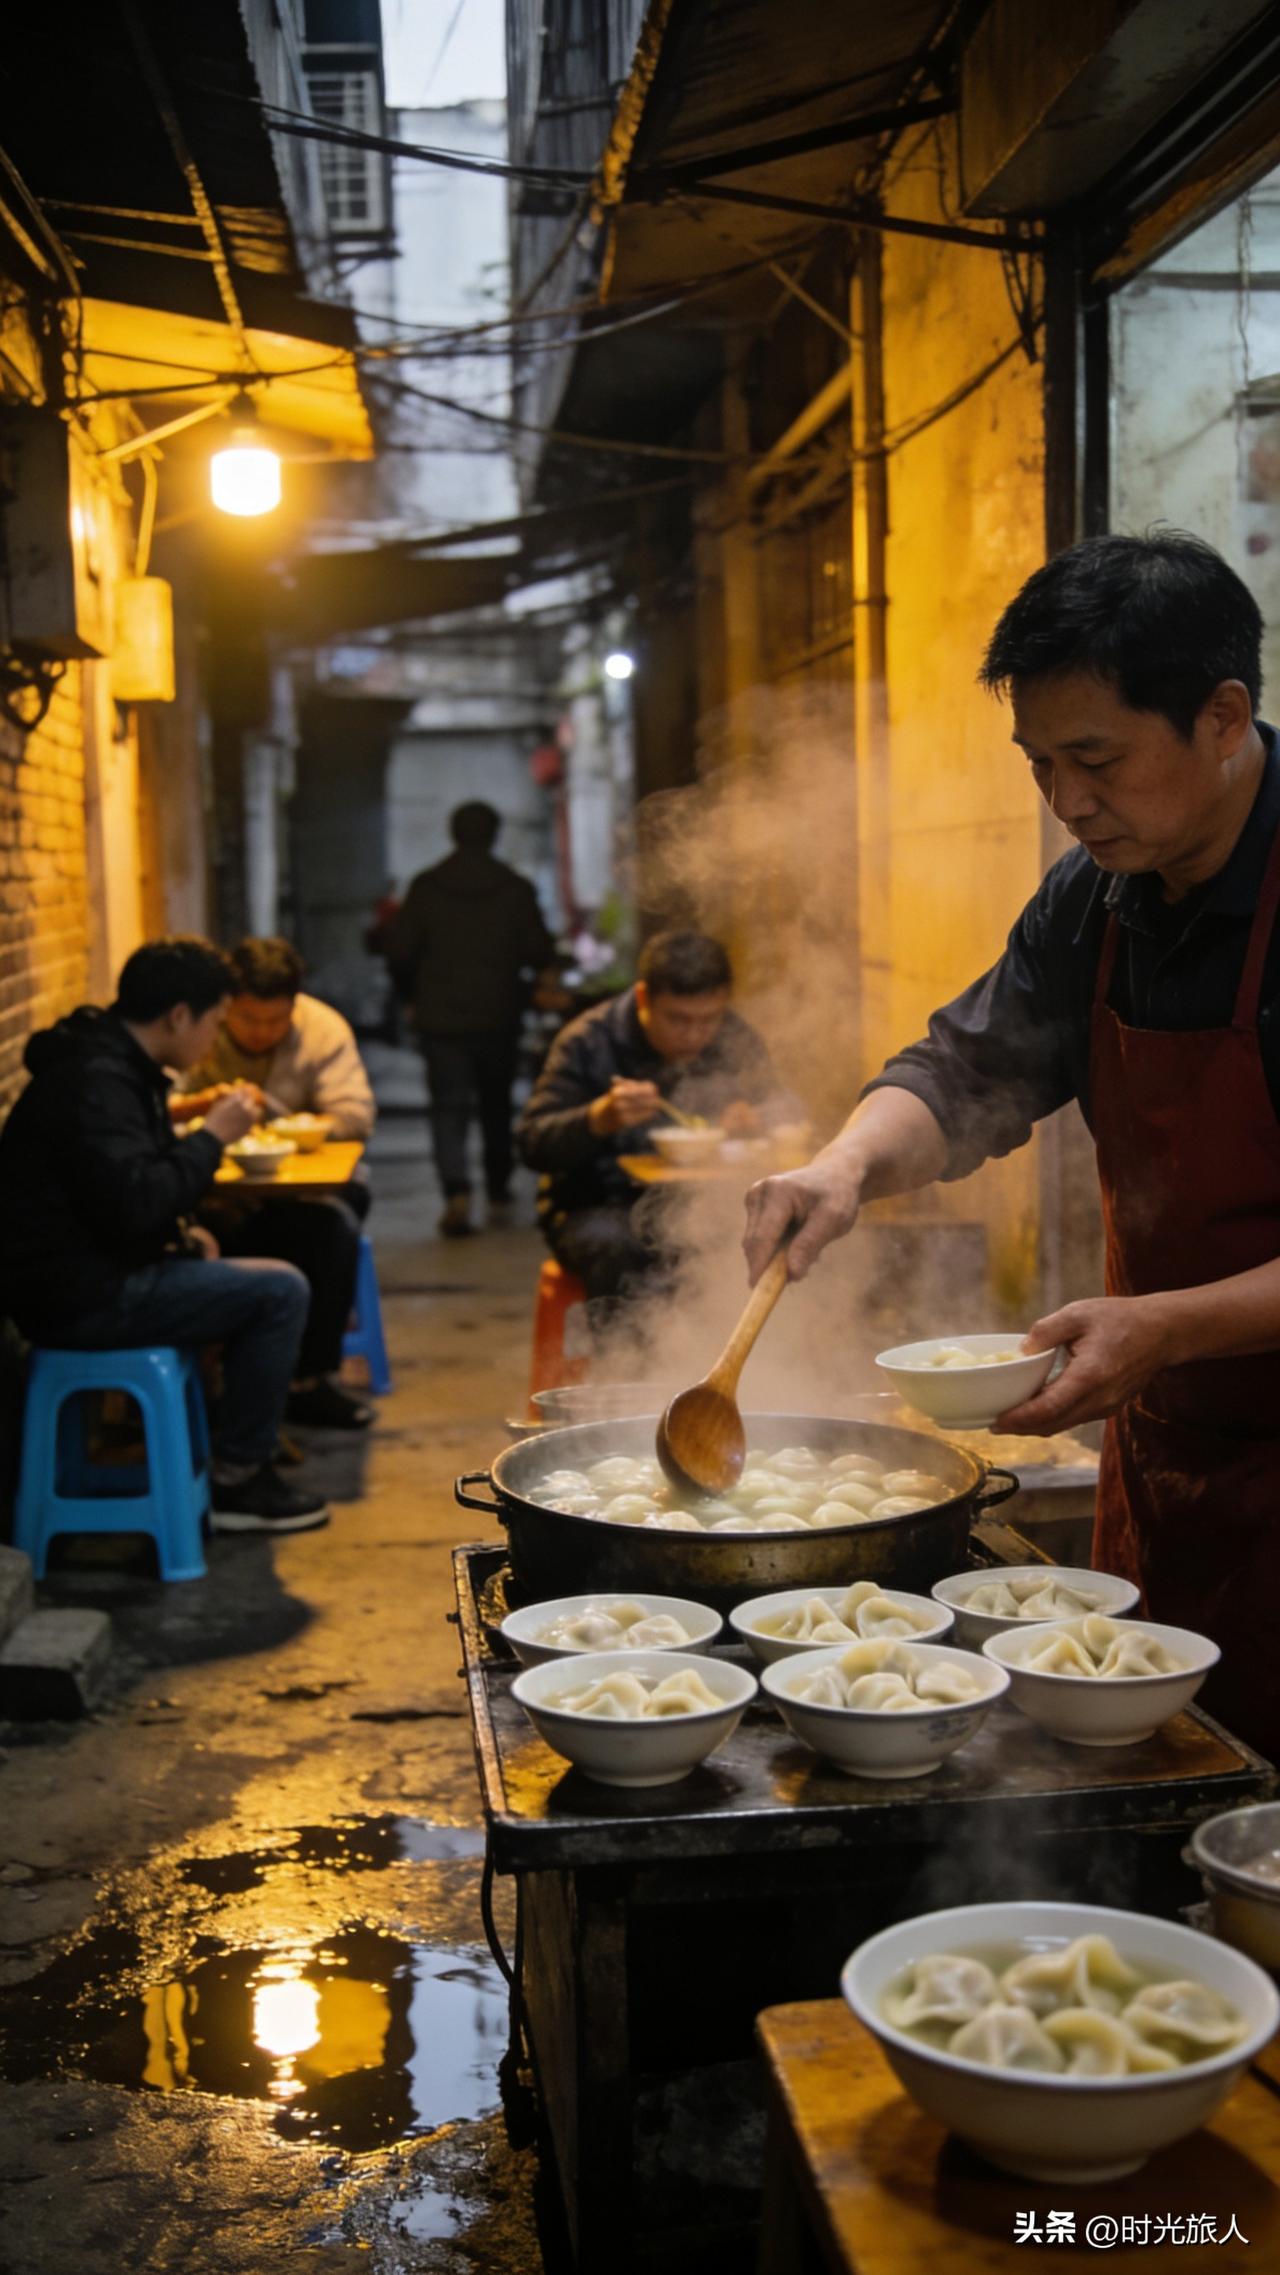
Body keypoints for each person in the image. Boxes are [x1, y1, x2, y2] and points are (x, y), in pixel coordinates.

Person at [742, 530, 1280, 1759]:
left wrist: (1166, 1324)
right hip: (1167, 1447)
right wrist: (843, 1165)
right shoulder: (1095, 895)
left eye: (1093, 758)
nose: (1065, 801)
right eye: (1038, 763)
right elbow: (965, 1067)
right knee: (1163, 1772)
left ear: (1219, 715)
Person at [0, 937, 327, 1533]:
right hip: (76, 1298)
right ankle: (238, 1481)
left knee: (255, 1250)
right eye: (214, 1022)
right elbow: (137, 1202)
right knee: (281, 1289)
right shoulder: (99, 1082)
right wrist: (212, 1136)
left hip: (80, 1277)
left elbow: (120, 1194)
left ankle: (230, 1452)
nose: (213, 1040)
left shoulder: (111, 1065)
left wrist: (181, 1236)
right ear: (179, 1016)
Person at [177, 936, 375, 1431]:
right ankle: (232, 1377)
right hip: (209, 1189)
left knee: (336, 1223)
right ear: (225, 1006)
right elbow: (164, 1106)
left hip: (296, 1184)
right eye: (247, 1019)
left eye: (275, 1020)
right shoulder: (197, 1027)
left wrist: (293, 1126)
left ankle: (307, 1381)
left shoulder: (321, 1028)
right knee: (219, 1230)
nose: (261, 1032)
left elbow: (355, 1114)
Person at [519, 928, 777, 1302]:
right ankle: (628, 1362)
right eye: (678, 1020)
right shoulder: (589, 1041)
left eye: (708, 1020)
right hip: (600, 1203)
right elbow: (531, 1142)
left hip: (710, 1200)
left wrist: (757, 1119)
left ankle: (733, 1355)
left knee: (763, 1235)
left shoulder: (734, 1036)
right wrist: (597, 1119)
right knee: (619, 1246)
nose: (694, 1035)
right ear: (643, 997)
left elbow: (783, 1107)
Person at [388, 801, 555, 1237]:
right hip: (499, 1013)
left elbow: (400, 951)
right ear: (494, 835)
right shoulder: (514, 888)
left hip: (440, 1017)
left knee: (448, 1107)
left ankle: (456, 1190)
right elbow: (540, 950)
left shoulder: (426, 887)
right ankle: (499, 1186)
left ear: (453, 833)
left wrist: (411, 996)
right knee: (496, 1105)